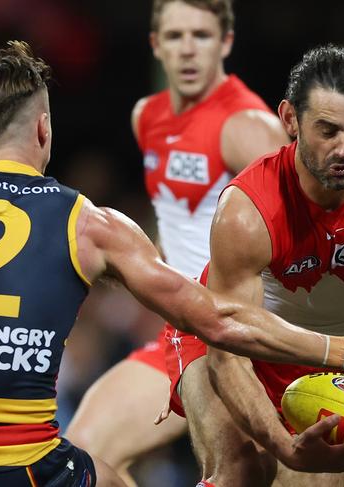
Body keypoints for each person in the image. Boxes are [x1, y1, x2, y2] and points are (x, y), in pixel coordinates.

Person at [0, 41, 344, 486]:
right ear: (45, 131)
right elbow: (220, 320)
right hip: (24, 466)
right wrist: (341, 351)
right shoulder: (91, 225)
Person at [160, 44, 344, 487]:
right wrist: (283, 448)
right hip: (232, 339)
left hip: (336, 354)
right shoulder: (247, 209)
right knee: (241, 470)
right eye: (327, 130)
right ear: (289, 119)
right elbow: (228, 350)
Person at [65, 0, 291, 483]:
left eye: (202, 36)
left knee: (234, 472)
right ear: (156, 45)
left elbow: (298, 246)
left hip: (234, 337)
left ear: (226, 42)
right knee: (82, 454)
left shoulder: (248, 128)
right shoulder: (147, 117)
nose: (188, 50)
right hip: (177, 333)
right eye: (175, 37)